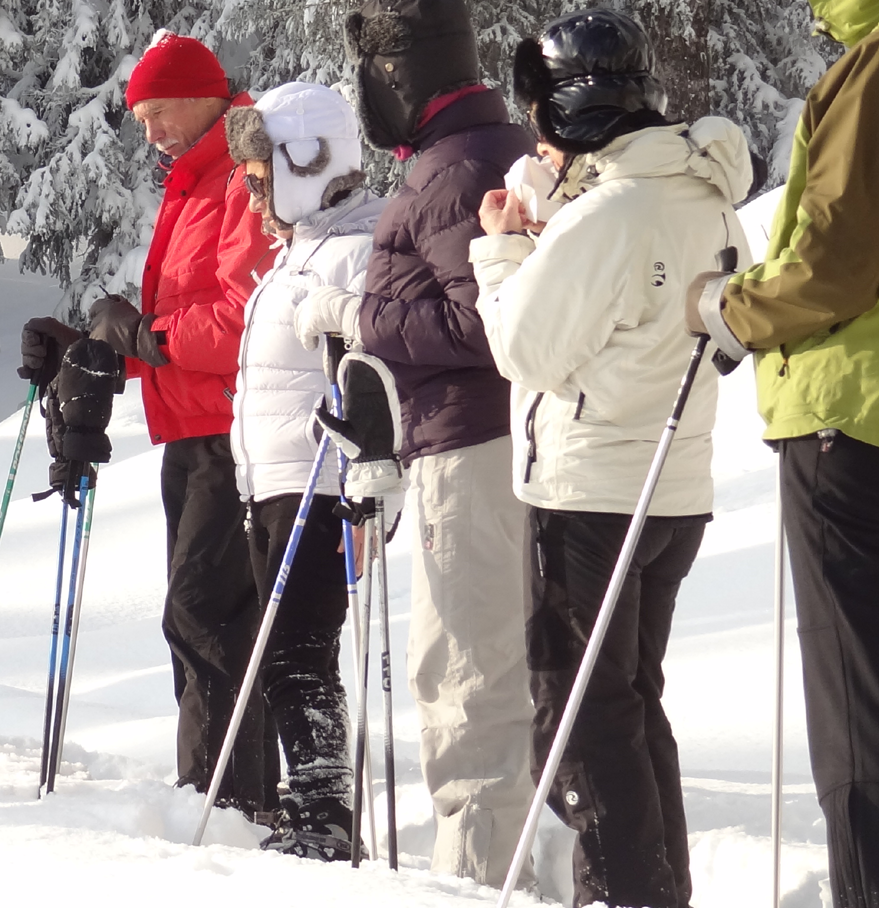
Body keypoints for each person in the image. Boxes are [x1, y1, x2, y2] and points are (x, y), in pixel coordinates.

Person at [472, 10, 751, 905]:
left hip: (591, 490)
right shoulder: (702, 192)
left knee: (585, 719)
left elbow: (525, 347)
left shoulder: (611, 213)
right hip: (672, 488)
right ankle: (658, 889)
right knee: (631, 703)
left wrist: (506, 246)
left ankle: (628, 891)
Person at [20, 30, 278, 811]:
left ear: (205, 95)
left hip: (235, 433)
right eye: (140, 120)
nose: (151, 132)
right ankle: (222, 793)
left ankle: (227, 802)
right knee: (200, 618)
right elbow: (174, 328)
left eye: (158, 112)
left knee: (206, 617)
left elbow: (243, 320)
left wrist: (145, 336)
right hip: (191, 432)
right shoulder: (192, 182)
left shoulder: (244, 174)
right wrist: (94, 346)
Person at [335, 0, 538, 886]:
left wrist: (358, 315)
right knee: (481, 667)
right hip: (478, 443)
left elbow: (479, 326)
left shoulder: (457, 171)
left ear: (402, 73)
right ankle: (520, 867)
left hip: (474, 449)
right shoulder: (468, 157)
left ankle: (480, 879)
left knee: (465, 674)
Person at [691, 1, 879, 902]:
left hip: (852, 413)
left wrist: (735, 309)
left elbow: (836, 257)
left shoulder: (871, 69)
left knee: (857, 698)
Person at [227, 82, 388, 861]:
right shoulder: (304, 249)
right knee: (288, 648)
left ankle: (325, 813)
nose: (252, 193)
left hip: (322, 479)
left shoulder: (361, 247)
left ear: (306, 162)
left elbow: (371, 366)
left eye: (261, 176)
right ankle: (312, 802)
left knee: (297, 647)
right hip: (278, 478)